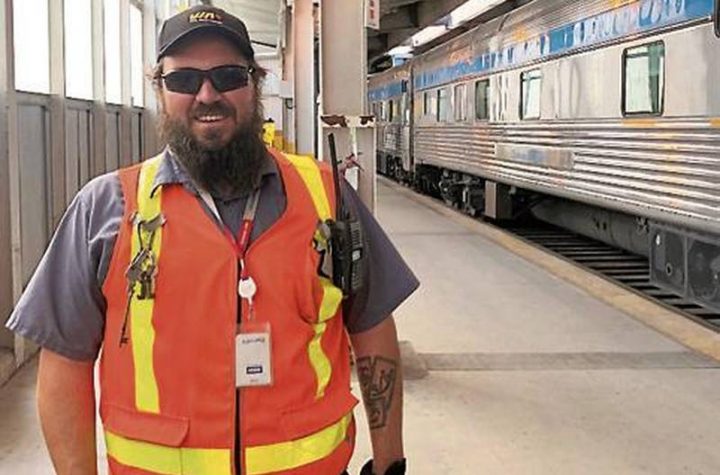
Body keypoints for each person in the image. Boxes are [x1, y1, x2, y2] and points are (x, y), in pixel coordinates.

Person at [5, 6, 418, 475]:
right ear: (159, 89)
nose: (207, 94)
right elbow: (64, 361)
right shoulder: (106, 208)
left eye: (227, 75)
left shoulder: (327, 197)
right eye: (183, 81)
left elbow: (371, 326)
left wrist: (390, 462)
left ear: (255, 83)